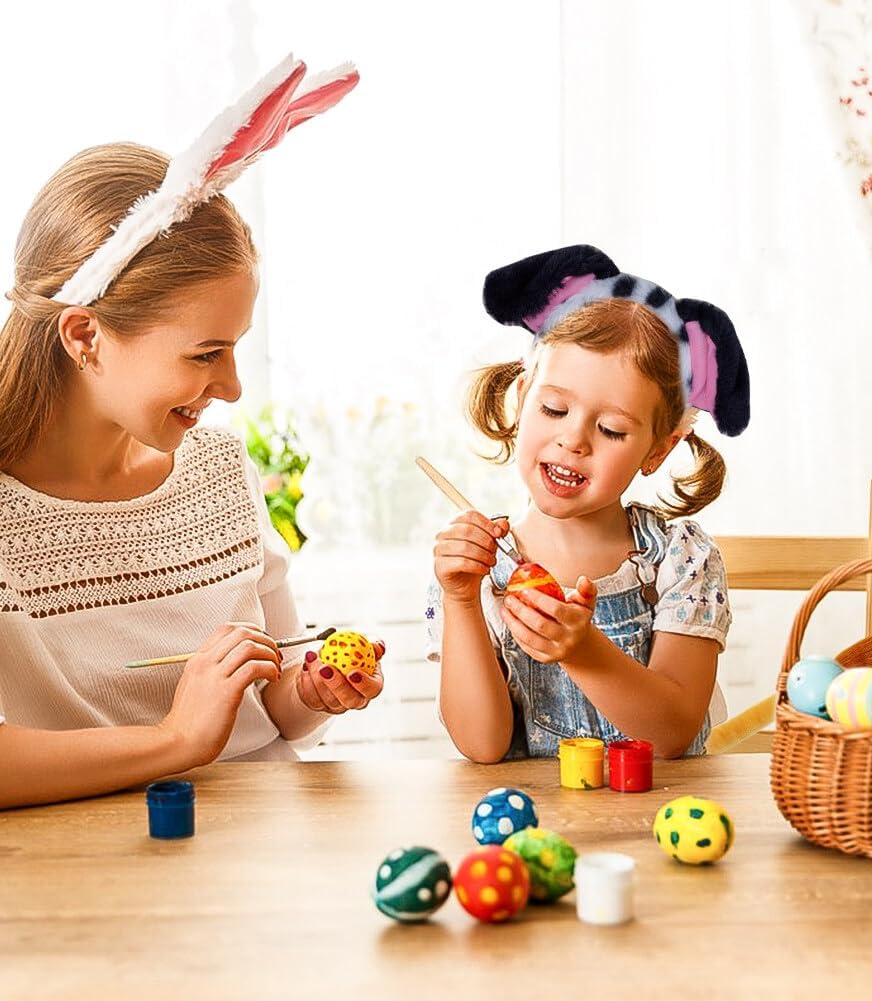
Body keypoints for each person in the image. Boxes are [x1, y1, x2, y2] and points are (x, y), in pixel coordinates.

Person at [0, 57, 384, 810]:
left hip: (259, 844)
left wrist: (312, 691)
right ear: (84, 335)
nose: (232, 388)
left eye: (235, 348)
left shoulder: (218, 467)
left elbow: (274, 710)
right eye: (206, 354)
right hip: (94, 863)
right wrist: (177, 739)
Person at [427, 244, 750, 762]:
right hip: (532, 811)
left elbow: (673, 732)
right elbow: (482, 746)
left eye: (612, 429)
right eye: (554, 409)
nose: (573, 440)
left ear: (658, 450)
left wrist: (583, 652)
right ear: (523, 397)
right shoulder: (480, 569)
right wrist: (462, 601)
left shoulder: (679, 559)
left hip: (665, 809)